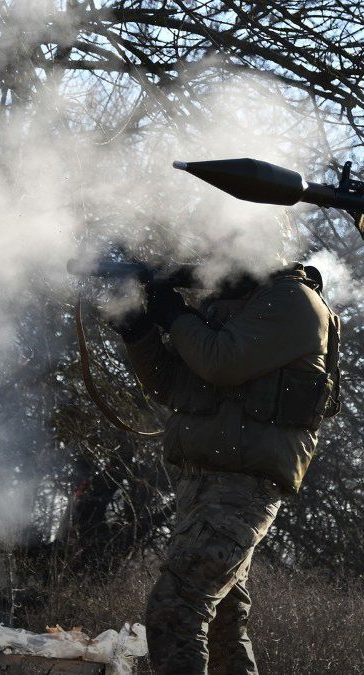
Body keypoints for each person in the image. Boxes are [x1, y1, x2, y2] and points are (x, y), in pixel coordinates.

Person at [112, 263, 339, 674]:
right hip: (202, 483)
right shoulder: (231, 305)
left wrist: (177, 316)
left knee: (175, 610)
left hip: (242, 486)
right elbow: (173, 385)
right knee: (222, 629)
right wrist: (137, 331)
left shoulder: (291, 301)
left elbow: (220, 362)